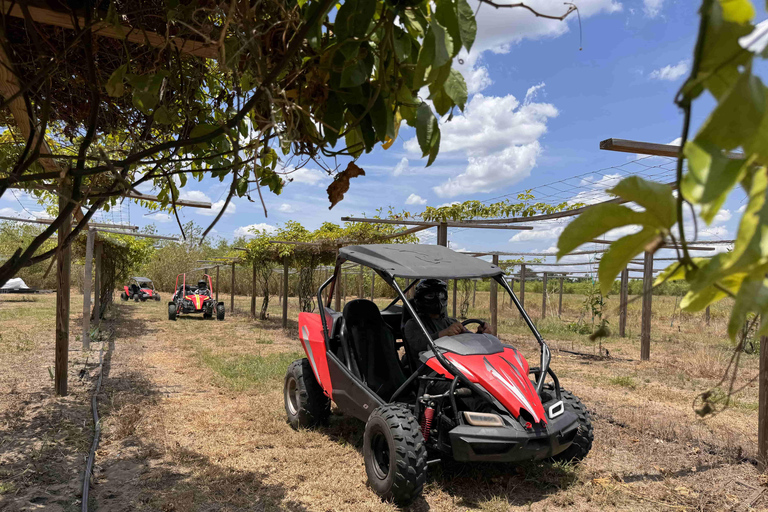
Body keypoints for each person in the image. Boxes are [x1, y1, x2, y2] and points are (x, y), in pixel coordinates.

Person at [403, 279, 492, 354]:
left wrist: (480, 334)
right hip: (427, 369)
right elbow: (420, 345)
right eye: (430, 296)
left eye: (441, 295)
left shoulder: (451, 322)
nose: (437, 299)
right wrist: (445, 334)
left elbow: (469, 342)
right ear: (420, 299)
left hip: (453, 365)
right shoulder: (413, 324)